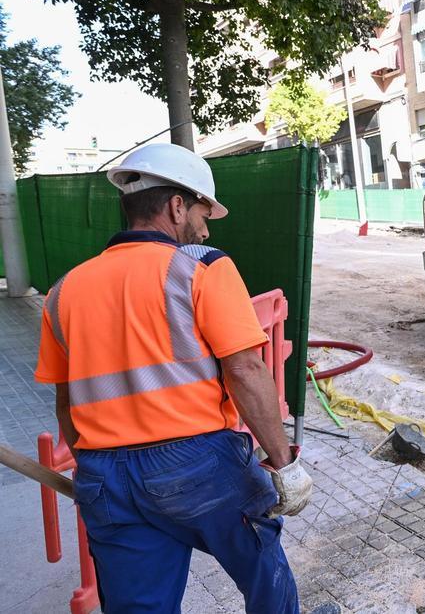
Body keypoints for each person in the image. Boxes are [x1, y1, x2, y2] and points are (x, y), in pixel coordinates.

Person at [34, 143, 313, 613]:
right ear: (177, 206)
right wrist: (285, 463)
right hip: (198, 465)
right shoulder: (200, 266)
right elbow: (245, 369)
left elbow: (66, 403)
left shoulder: (62, 292)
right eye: (203, 213)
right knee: (263, 566)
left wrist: (97, 471)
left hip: (104, 474)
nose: (206, 227)